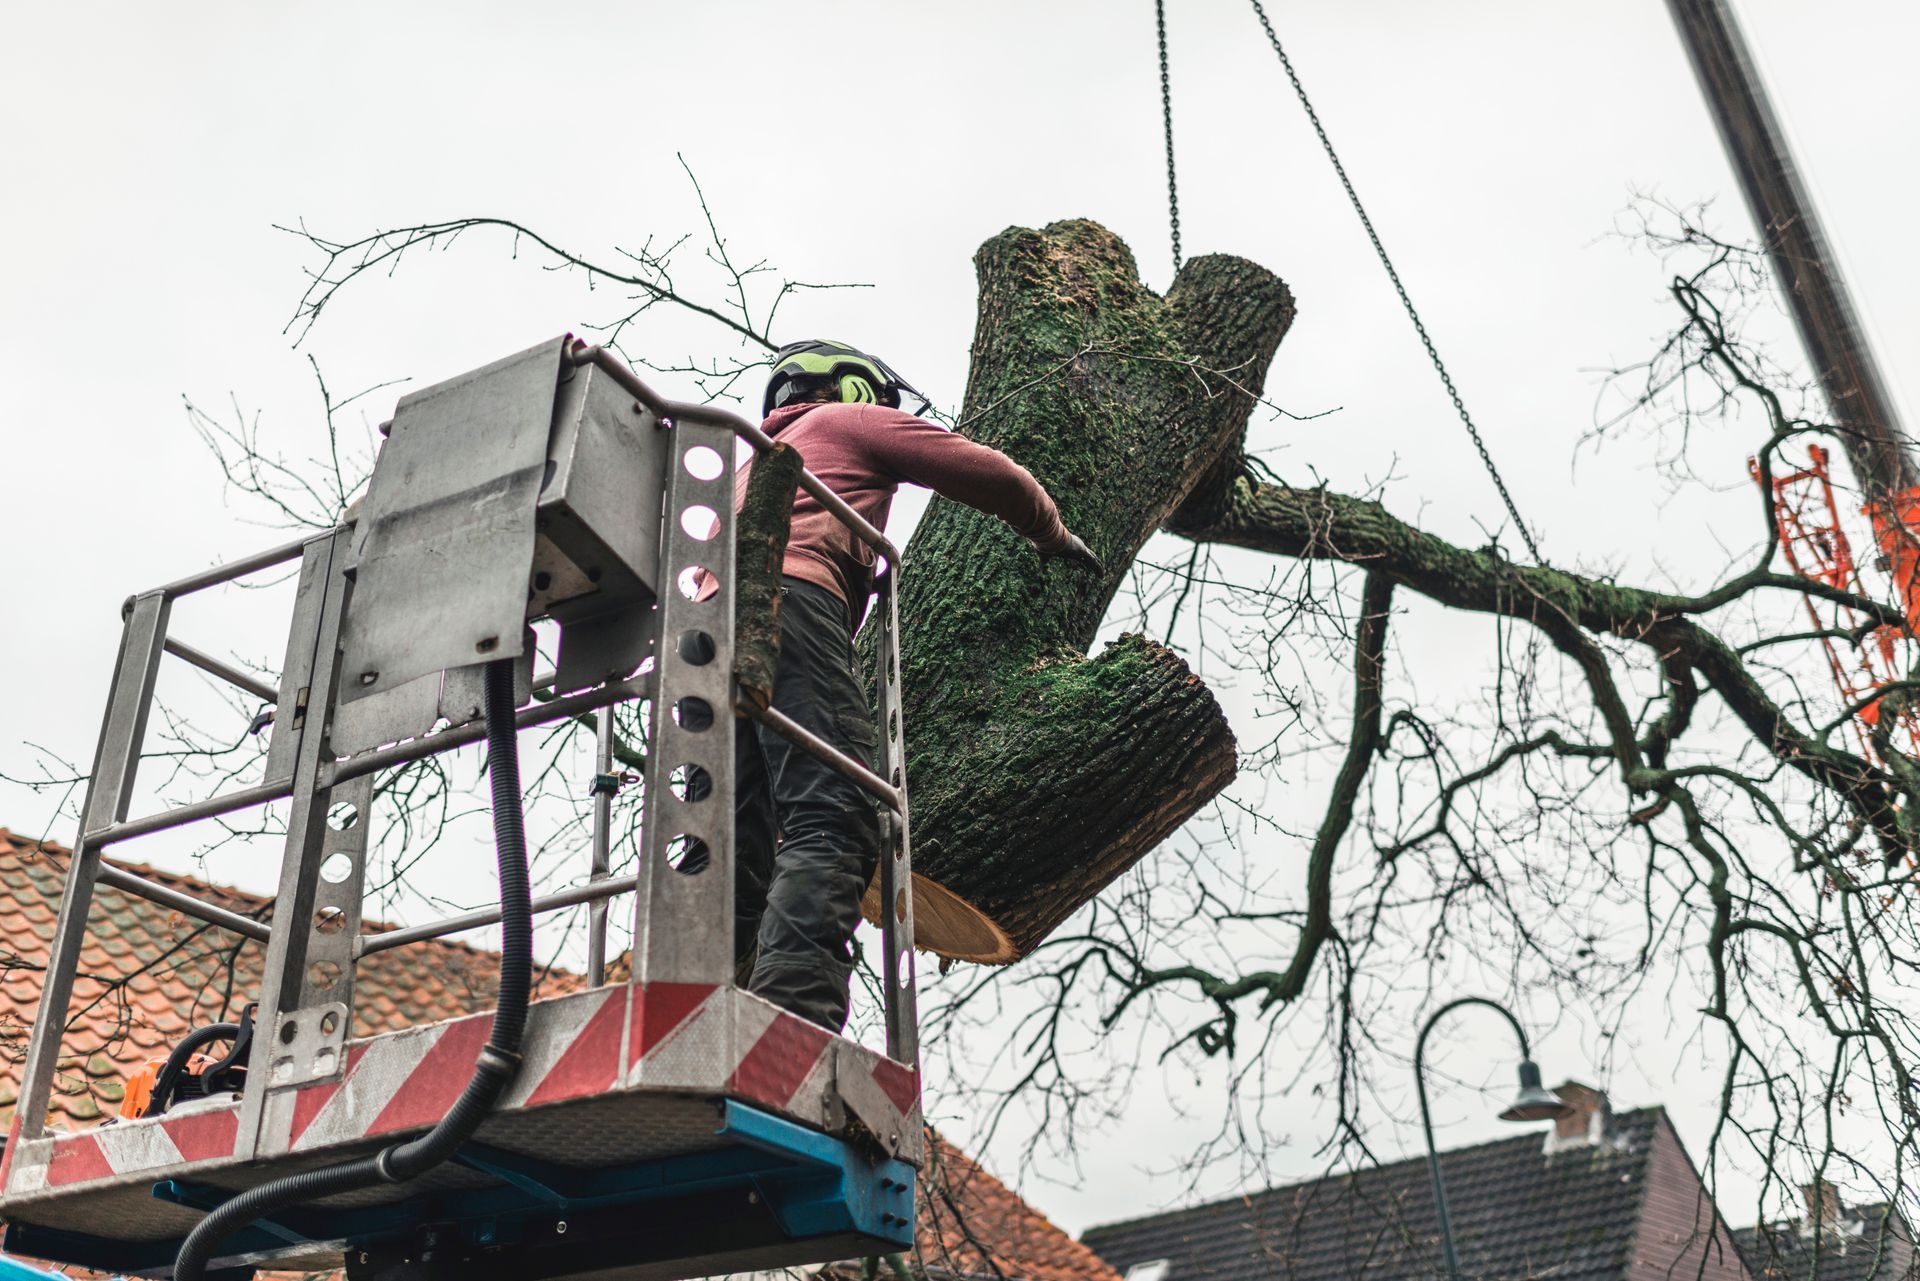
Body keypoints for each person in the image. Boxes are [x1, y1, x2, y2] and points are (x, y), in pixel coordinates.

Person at [729, 339, 1102, 1031]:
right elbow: (985, 471)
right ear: (855, 389)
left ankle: (697, 999)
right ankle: (789, 1026)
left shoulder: (743, 470)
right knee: (834, 811)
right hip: (791, 606)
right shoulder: (847, 423)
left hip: (706, 640)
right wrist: (1050, 532)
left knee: (734, 835)